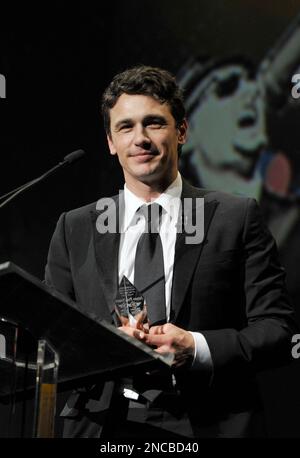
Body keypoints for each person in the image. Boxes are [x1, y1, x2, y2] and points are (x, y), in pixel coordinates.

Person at [45, 65, 297, 438]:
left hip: (207, 421)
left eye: (154, 123)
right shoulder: (75, 227)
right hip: (104, 424)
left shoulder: (235, 216)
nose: (140, 139)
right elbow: (52, 339)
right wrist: (108, 343)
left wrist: (196, 347)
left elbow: (277, 330)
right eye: (125, 127)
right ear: (111, 143)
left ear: (181, 131)